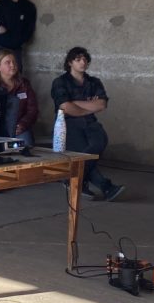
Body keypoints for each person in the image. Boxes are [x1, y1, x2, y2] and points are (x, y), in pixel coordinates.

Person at [51, 46, 124, 202]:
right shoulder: (60, 82)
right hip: (68, 124)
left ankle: (72, 178)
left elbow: (102, 104)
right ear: (70, 62)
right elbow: (64, 106)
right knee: (84, 153)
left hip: (90, 122)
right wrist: (88, 107)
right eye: (78, 60)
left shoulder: (94, 82)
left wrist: (76, 104)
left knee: (100, 141)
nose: (82, 62)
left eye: (85, 59)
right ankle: (106, 186)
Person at [0, 49, 38, 146]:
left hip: (18, 127)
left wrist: (22, 125)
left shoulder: (24, 83)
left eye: (14, 62)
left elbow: (33, 109)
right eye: (8, 62)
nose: (13, 65)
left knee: (26, 145)